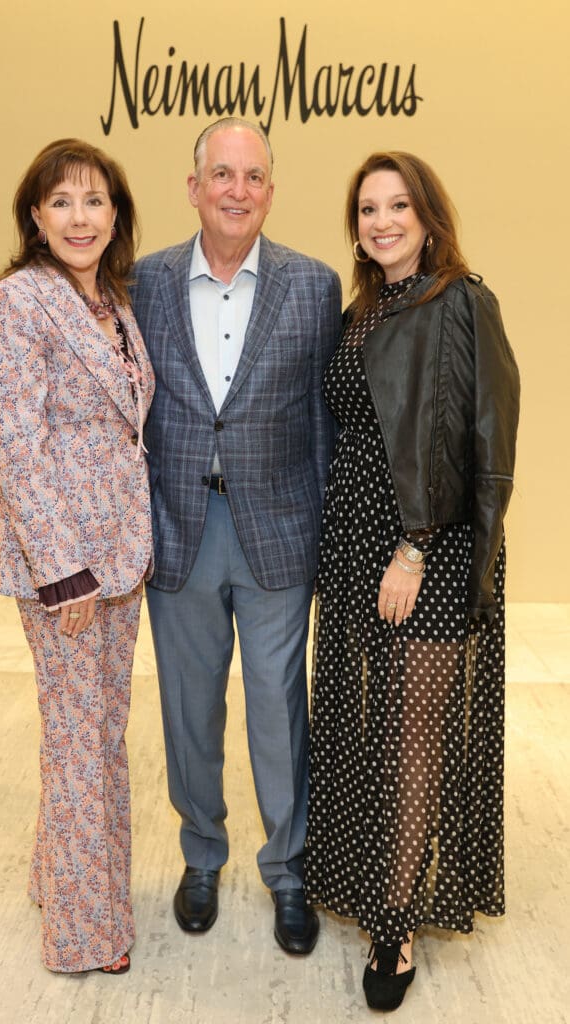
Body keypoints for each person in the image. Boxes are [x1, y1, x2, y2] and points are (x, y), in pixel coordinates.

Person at [304, 152, 520, 1010]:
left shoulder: (462, 302)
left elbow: (485, 446)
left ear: (430, 216)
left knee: (414, 734)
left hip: (421, 550)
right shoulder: (362, 311)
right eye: (366, 207)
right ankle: (373, 883)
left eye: (398, 205)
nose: (381, 221)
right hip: (354, 542)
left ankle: (393, 926)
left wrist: (415, 547)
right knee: (371, 725)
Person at [131, 117, 342, 954]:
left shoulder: (313, 284)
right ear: (193, 187)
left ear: (270, 190)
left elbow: (325, 421)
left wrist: (326, 537)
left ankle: (288, 871)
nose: (237, 190)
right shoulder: (142, 283)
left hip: (278, 533)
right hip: (177, 527)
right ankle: (201, 856)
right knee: (188, 708)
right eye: (222, 174)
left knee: (276, 709)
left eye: (253, 177)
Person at [0, 139, 155, 974]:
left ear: (114, 214)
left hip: (121, 556)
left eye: (95, 201)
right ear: (35, 217)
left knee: (93, 733)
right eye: (62, 202)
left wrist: (117, 553)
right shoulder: (13, 303)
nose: (80, 217)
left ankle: (60, 875)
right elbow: (18, 447)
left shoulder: (111, 301)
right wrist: (62, 572)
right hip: (67, 568)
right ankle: (86, 936)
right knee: (81, 745)